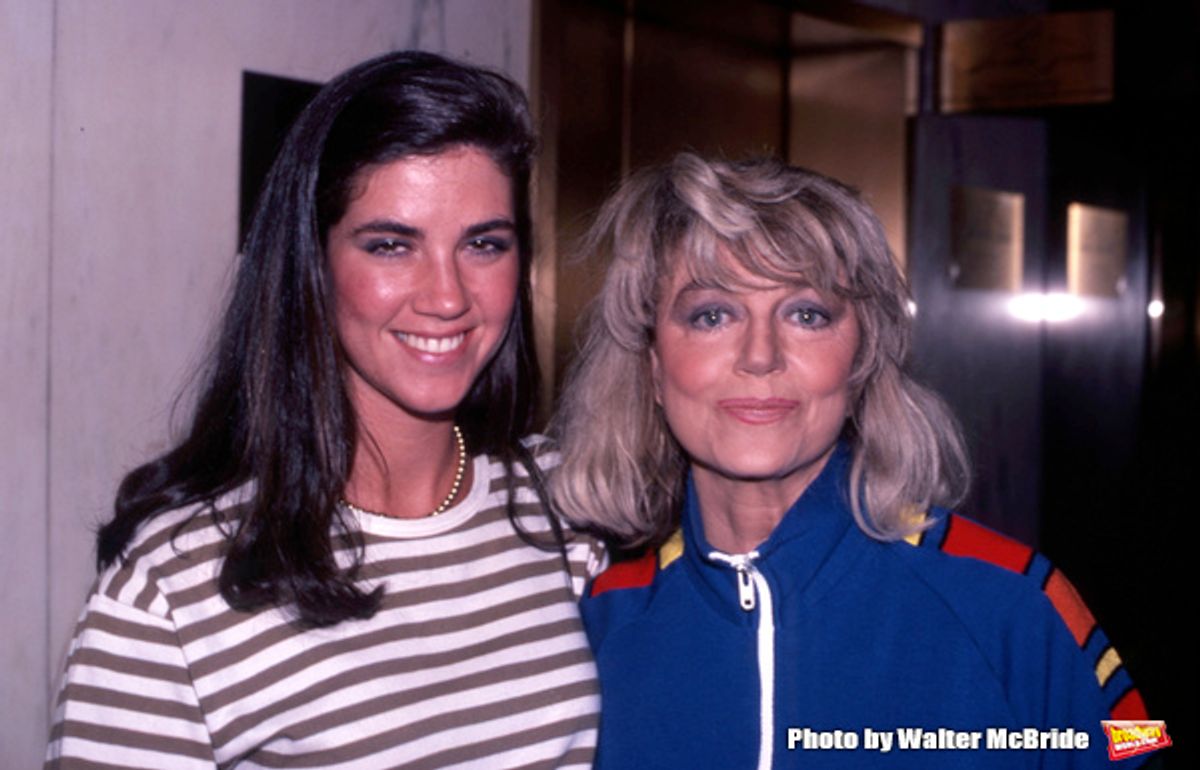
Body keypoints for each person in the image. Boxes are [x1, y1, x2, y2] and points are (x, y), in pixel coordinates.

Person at [46, 51, 602, 769]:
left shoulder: (568, 508)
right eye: (391, 245)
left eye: (483, 244)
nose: (447, 296)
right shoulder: (172, 592)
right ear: (313, 261)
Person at [550, 153, 1149, 769]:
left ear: (862, 358)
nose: (760, 356)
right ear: (651, 366)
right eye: (712, 315)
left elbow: (1141, 745)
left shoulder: (1012, 600)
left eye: (806, 314)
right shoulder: (596, 622)